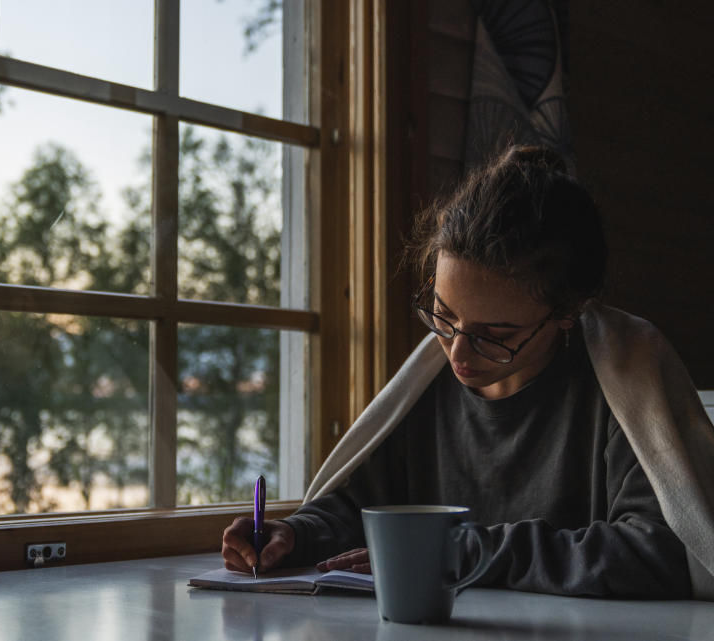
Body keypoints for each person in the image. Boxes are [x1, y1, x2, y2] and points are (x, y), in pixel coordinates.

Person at [221, 146, 714, 599]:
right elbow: (362, 506)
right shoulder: (429, 386)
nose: (458, 353)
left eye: (495, 335)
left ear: (568, 312)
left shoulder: (624, 378)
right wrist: (297, 533)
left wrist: (463, 553)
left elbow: (664, 551)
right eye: (442, 315)